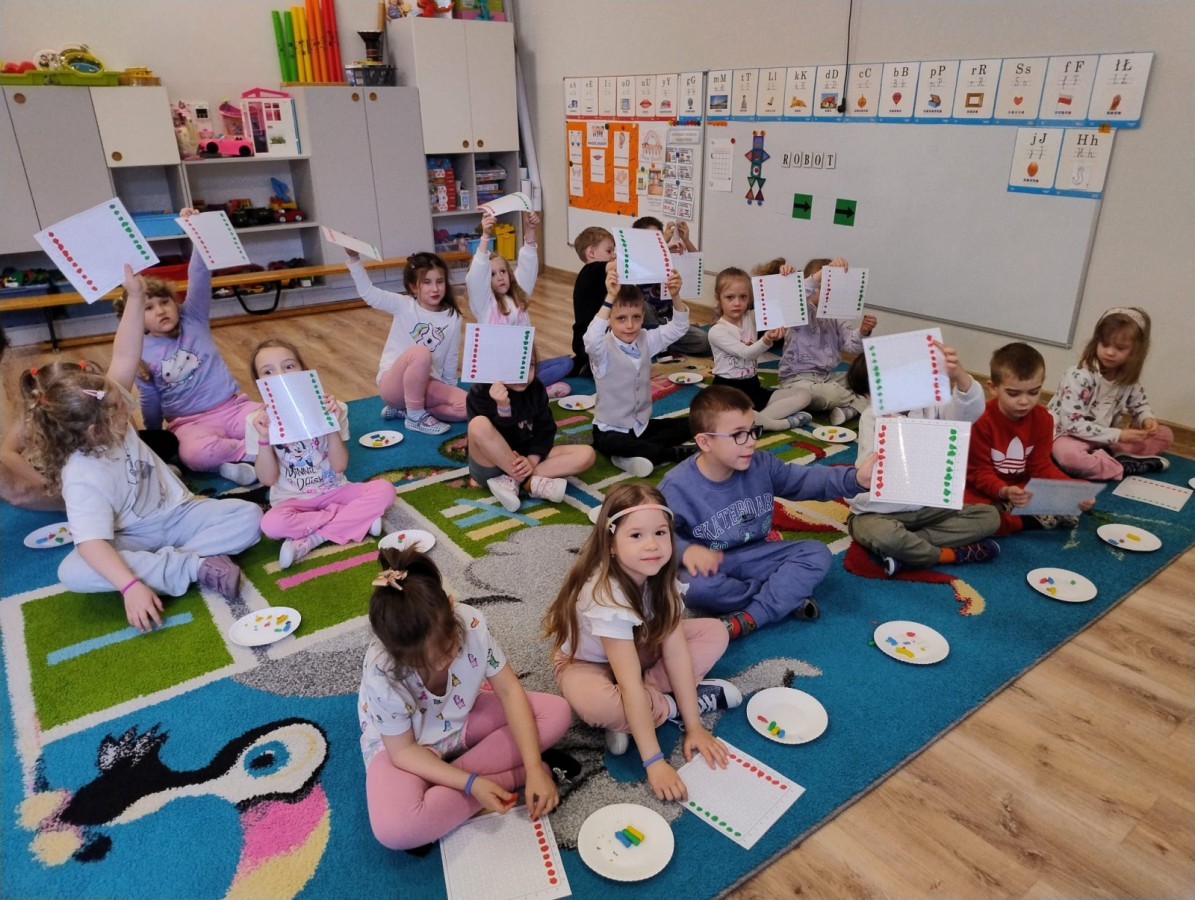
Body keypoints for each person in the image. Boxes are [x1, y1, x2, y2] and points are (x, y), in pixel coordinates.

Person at [24, 267, 262, 631]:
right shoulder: (81, 476)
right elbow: (91, 544)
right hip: (132, 536)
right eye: (119, 408)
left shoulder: (103, 406)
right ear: (95, 430)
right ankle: (192, 566)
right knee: (72, 571)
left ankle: (165, 566)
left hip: (180, 513)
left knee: (250, 517)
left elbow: (124, 355)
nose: (127, 405)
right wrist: (130, 587)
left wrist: (135, 297)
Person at [359, 546, 574, 851]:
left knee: (556, 713)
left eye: (448, 650)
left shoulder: (471, 623)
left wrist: (534, 766)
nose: (439, 666)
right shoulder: (381, 671)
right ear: (393, 652)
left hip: (462, 717)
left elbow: (510, 691)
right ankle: (510, 777)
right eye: (421, 663)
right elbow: (403, 752)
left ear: (451, 608)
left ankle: (436, 796)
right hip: (408, 746)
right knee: (395, 830)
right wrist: (472, 783)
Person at [543, 482, 740, 797]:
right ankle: (668, 706)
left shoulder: (661, 578)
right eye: (636, 535)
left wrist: (695, 727)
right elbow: (630, 682)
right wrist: (654, 761)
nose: (652, 545)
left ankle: (643, 712)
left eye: (660, 533)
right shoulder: (605, 595)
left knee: (715, 632)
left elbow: (675, 653)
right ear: (611, 544)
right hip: (584, 663)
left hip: (640, 644)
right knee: (598, 705)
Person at [659, 385, 873, 640]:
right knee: (697, 590)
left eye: (753, 430)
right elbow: (656, 534)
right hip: (712, 564)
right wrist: (687, 551)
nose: (751, 441)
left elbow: (805, 480)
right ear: (704, 441)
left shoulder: (761, 464)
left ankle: (752, 617)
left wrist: (855, 479)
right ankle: (782, 598)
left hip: (759, 555)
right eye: (738, 435)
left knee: (816, 554)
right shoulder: (676, 486)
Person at [115, 208, 261, 485]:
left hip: (233, 408)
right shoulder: (138, 350)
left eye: (164, 302)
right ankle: (252, 454)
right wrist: (156, 436)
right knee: (195, 454)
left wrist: (196, 233)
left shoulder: (193, 318)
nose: (161, 310)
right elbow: (149, 398)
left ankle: (233, 459)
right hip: (189, 423)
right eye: (148, 308)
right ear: (135, 317)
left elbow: (200, 274)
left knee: (280, 420)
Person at [844, 346, 1001, 576]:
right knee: (884, 535)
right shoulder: (871, 418)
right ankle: (948, 555)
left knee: (989, 517)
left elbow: (967, 414)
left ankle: (907, 550)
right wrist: (896, 433)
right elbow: (870, 472)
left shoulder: (931, 404)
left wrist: (960, 376)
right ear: (870, 396)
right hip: (878, 511)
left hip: (927, 506)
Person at [248, 339, 396, 569]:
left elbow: (339, 466)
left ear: (303, 370)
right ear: (259, 384)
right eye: (268, 372)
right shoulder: (256, 421)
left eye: (289, 366)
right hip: (292, 502)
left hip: (335, 490)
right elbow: (267, 479)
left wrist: (331, 424)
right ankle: (351, 519)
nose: (280, 375)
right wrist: (264, 438)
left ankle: (314, 538)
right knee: (271, 525)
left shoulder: (335, 408)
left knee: (385, 490)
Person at [965, 342, 1097, 534]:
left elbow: (1041, 466)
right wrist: (1003, 491)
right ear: (993, 388)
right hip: (984, 489)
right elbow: (978, 472)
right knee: (971, 514)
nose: (1024, 401)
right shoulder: (980, 419)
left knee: (1072, 502)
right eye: (1013, 393)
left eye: (1034, 392)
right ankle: (1019, 521)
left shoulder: (1043, 419)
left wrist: (1073, 488)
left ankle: (1014, 517)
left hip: (1021, 489)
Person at [585, 262, 695, 477]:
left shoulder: (646, 338)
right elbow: (590, 340)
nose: (630, 325)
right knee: (618, 443)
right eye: (621, 318)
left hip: (641, 426)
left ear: (643, 316)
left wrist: (675, 296)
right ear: (609, 319)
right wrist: (609, 297)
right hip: (610, 430)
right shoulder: (602, 349)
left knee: (690, 424)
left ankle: (627, 458)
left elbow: (679, 327)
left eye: (636, 317)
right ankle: (666, 454)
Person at [345, 249, 465, 435]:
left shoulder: (453, 317)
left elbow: (451, 356)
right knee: (420, 352)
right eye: (427, 282)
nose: (435, 288)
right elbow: (369, 293)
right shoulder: (403, 304)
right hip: (394, 387)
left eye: (439, 281)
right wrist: (354, 259)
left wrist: (448, 390)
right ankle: (415, 416)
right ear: (414, 287)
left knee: (468, 407)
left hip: (426, 385)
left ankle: (408, 411)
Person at [1048, 306, 1173, 480]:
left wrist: (1146, 419)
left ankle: (1108, 456)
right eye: (1105, 344)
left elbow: (1139, 404)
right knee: (1070, 457)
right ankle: (1119, 465)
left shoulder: (1127, 378)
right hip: (1068, 435)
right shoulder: (1079, 376)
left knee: (1165, 435)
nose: (1109, 352)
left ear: (1135, 352)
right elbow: (1071, 424)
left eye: (1120, 348)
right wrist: (1119, 435)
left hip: (1106, 437)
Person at [466, 351, 595, 512]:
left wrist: (532, 460)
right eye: (515, 369)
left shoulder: (536, 387)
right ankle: (528, 482)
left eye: (530, 366)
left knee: (587, 454)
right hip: (492, 465)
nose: (524, 375)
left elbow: (546, 430)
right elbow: (490, 439)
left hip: (526, 457)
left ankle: (514, 482)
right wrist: (504, 409)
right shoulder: (479, 392)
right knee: (478, 424)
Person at [760, 256, 877, 425]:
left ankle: (848, 410)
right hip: (797, 380)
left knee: (868, 380)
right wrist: (823, 273)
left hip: (826, 377)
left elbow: (851, 345)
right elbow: (798, 295)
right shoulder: (800, 310)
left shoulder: (835, 313)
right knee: (833, 394)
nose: (831, 292)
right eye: (825, 286)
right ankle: (856, 403)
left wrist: (863, 332)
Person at [465, 211, 573, 394]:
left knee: (566, 363)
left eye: (503, 272)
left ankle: (531, 389)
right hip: (497, 374)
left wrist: (530, 230)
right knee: (486, 388)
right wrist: (485, 236)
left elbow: (528, 266)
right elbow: (476, 276)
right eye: (492, 274)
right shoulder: (484, 303)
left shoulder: (518, 294)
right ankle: (534, 391)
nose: (500, 277)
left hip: (522, 367)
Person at [707, 266, 815, 432]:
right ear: (718, 298)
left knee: (804, 395)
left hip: (754, 389)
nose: (737, 303)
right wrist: (766, 339)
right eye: (730, 297)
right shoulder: (717, 331)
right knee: (728, 416)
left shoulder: (751, 316)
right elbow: (746, 353)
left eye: (743, 297)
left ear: (750, 297)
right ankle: (778, 424)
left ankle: (755, 422)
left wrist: (787, 279)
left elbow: (785, 302)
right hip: (727, 394)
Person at [629, 216, 710, 357]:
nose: (655, 243)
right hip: (646, 325)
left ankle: (664, 345)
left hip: (670, 324)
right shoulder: (635, 261)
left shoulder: (667, 255)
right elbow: (643, 262)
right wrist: (663, 246)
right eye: (650, 240)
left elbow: (696, 265)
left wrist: (686, 241)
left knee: (704, 341)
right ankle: (659, 346)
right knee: (643, 305)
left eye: (657, 238)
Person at [568, 226, 616, 377]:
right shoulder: (591, 271)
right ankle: (588, 366)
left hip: (596, 337)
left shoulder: (597, 274)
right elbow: (624, 265)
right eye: (609, 251)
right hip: (586, 341)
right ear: (591, 252)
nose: (613, 255)